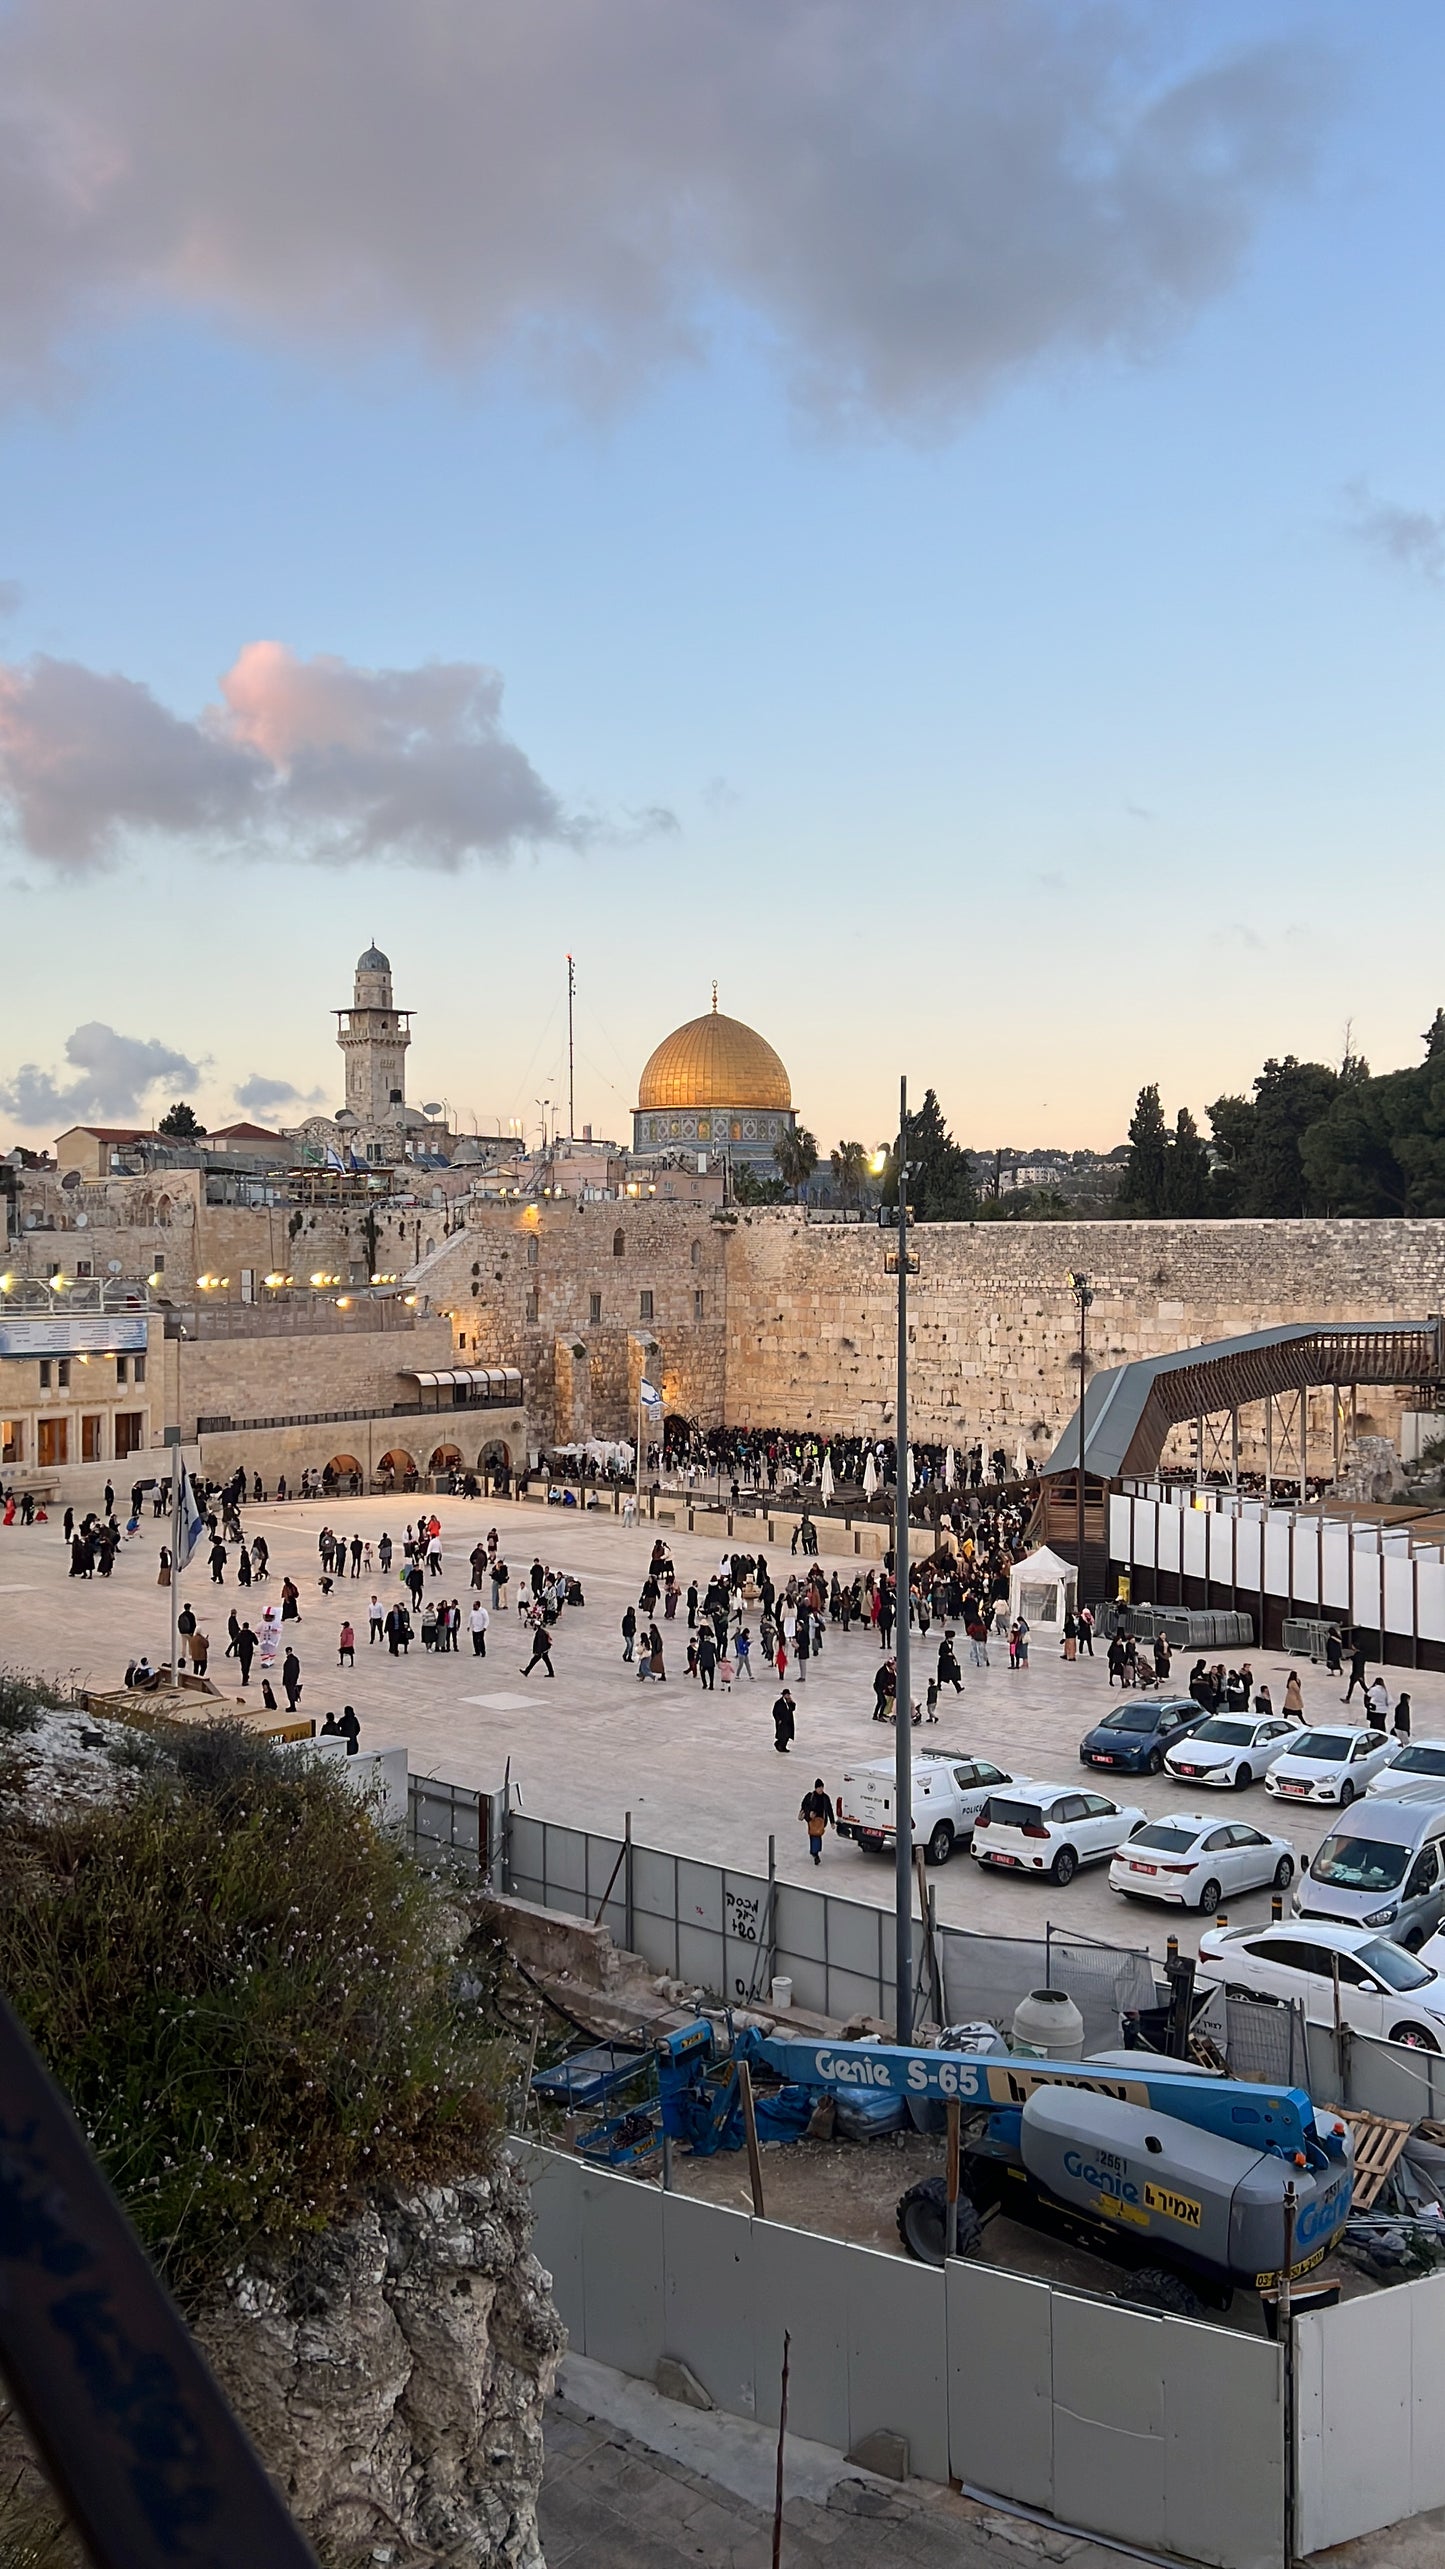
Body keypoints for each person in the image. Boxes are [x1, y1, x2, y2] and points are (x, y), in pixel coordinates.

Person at [799, 1779, 834, 1864]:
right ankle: (815, 1854)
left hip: (821, 1820)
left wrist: (832, 1822)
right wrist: (809, 1813)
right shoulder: (810, 1796)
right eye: (819, 1787)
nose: (821, 1789)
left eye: (822, 1787)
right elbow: (804, 1805)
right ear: (815, 1788)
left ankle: (814, 1852)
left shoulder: (825, 1797)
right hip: (812, 1819)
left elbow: (829, 1809)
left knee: (817, 1835)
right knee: (814, 1835)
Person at [772, 1689, 796, 1754]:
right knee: (783, 1735)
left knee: (788, 1735)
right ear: (784, 1695)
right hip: (782, 1721)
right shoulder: (778, 1702)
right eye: (787, 1695)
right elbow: (775, 1712)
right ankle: (779, 1745)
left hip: (789, 1721)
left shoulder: (789, 1702)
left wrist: (791, 1702)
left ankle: (783, 1747)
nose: (788, 1696)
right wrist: (778, 1720)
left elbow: (793, 1708)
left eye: (788, 1695)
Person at [281, 1648, 302, 1713]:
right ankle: (292, 1706)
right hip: (292, 1680)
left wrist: (286, 1680)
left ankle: (292, 1707)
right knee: (291, 1693)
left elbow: (287, 1672)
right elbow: (297, 1670)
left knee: (290, 1694)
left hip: (289, 1681)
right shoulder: (295, 1659)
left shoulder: (290, 1660)